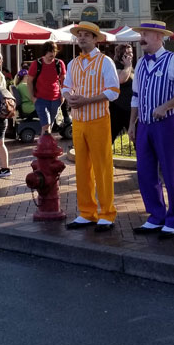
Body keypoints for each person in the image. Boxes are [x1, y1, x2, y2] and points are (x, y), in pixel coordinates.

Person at [128, 20, 174, 238]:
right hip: (144, 125)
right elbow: (135, 96)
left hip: (166, 124)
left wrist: (166, 107)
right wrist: (131, 124)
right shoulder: (140, 63)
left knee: (170, 172)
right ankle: (156, 215)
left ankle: (173, 219)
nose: (141, 38)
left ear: (158, 36)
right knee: (145, 172)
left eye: (145, 34)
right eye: (141, 34)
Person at [63, 22, 120, 232]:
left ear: (96, 39)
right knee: (82, 168)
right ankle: (87, 212)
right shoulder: (73, 64)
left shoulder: (105, 62)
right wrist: (69, 97)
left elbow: (113, 91)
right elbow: (66, 87)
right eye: (80, 35)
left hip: (98, 120)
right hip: (78, 121)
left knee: (102, 167)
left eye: (87, 35)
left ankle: (107, 212)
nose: (82, 38)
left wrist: (86, 100)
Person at [27, 41, 66, 136]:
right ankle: (46, 147)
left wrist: (63, 96)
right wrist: (32, 97)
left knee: (49, 126)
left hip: (55, 99)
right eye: (49, 51)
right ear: (45, 52)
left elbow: (64, 81)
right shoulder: (37, 64)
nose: (52, 54)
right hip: (40, 99)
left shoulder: (59, 64)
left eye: (54, 51)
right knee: (46, 125)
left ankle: (44, 146)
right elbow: (29, 81)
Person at [110, 43, 134, 143]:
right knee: (110, 137)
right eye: (127, 53)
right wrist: (128, 66)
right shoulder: (117, 65)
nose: (130, 55)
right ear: (120, 54)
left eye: (131, 52)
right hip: (118, 108)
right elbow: (120, 79)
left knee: (136, 137)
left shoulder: (129, 66)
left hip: (130, 108)